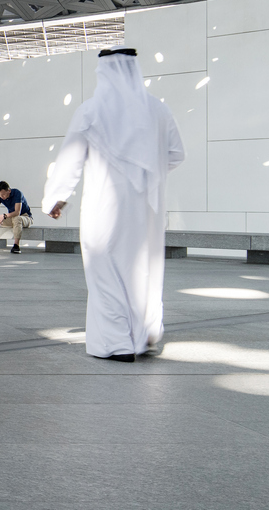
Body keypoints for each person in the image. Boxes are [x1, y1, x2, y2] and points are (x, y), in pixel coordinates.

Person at [42, 47, 185, 361]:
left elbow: (71, 158)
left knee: (105, 269)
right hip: (148, 208)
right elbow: (176, 154)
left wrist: (57, 197)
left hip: (104, 207)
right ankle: (145, 338)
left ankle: (116, 344)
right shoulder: (158, 110)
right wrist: (148, 176)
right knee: (144, 271)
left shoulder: (91, 111)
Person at [0, 180, 31, 252]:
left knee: (17, 219)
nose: (2, 197)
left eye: (4, 194)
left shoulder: (17, 193)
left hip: (25, 217)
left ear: (9, 191)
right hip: (12, 218)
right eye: (0, 195)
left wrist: (4, 216)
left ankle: (16, 246)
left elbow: (17, 212)